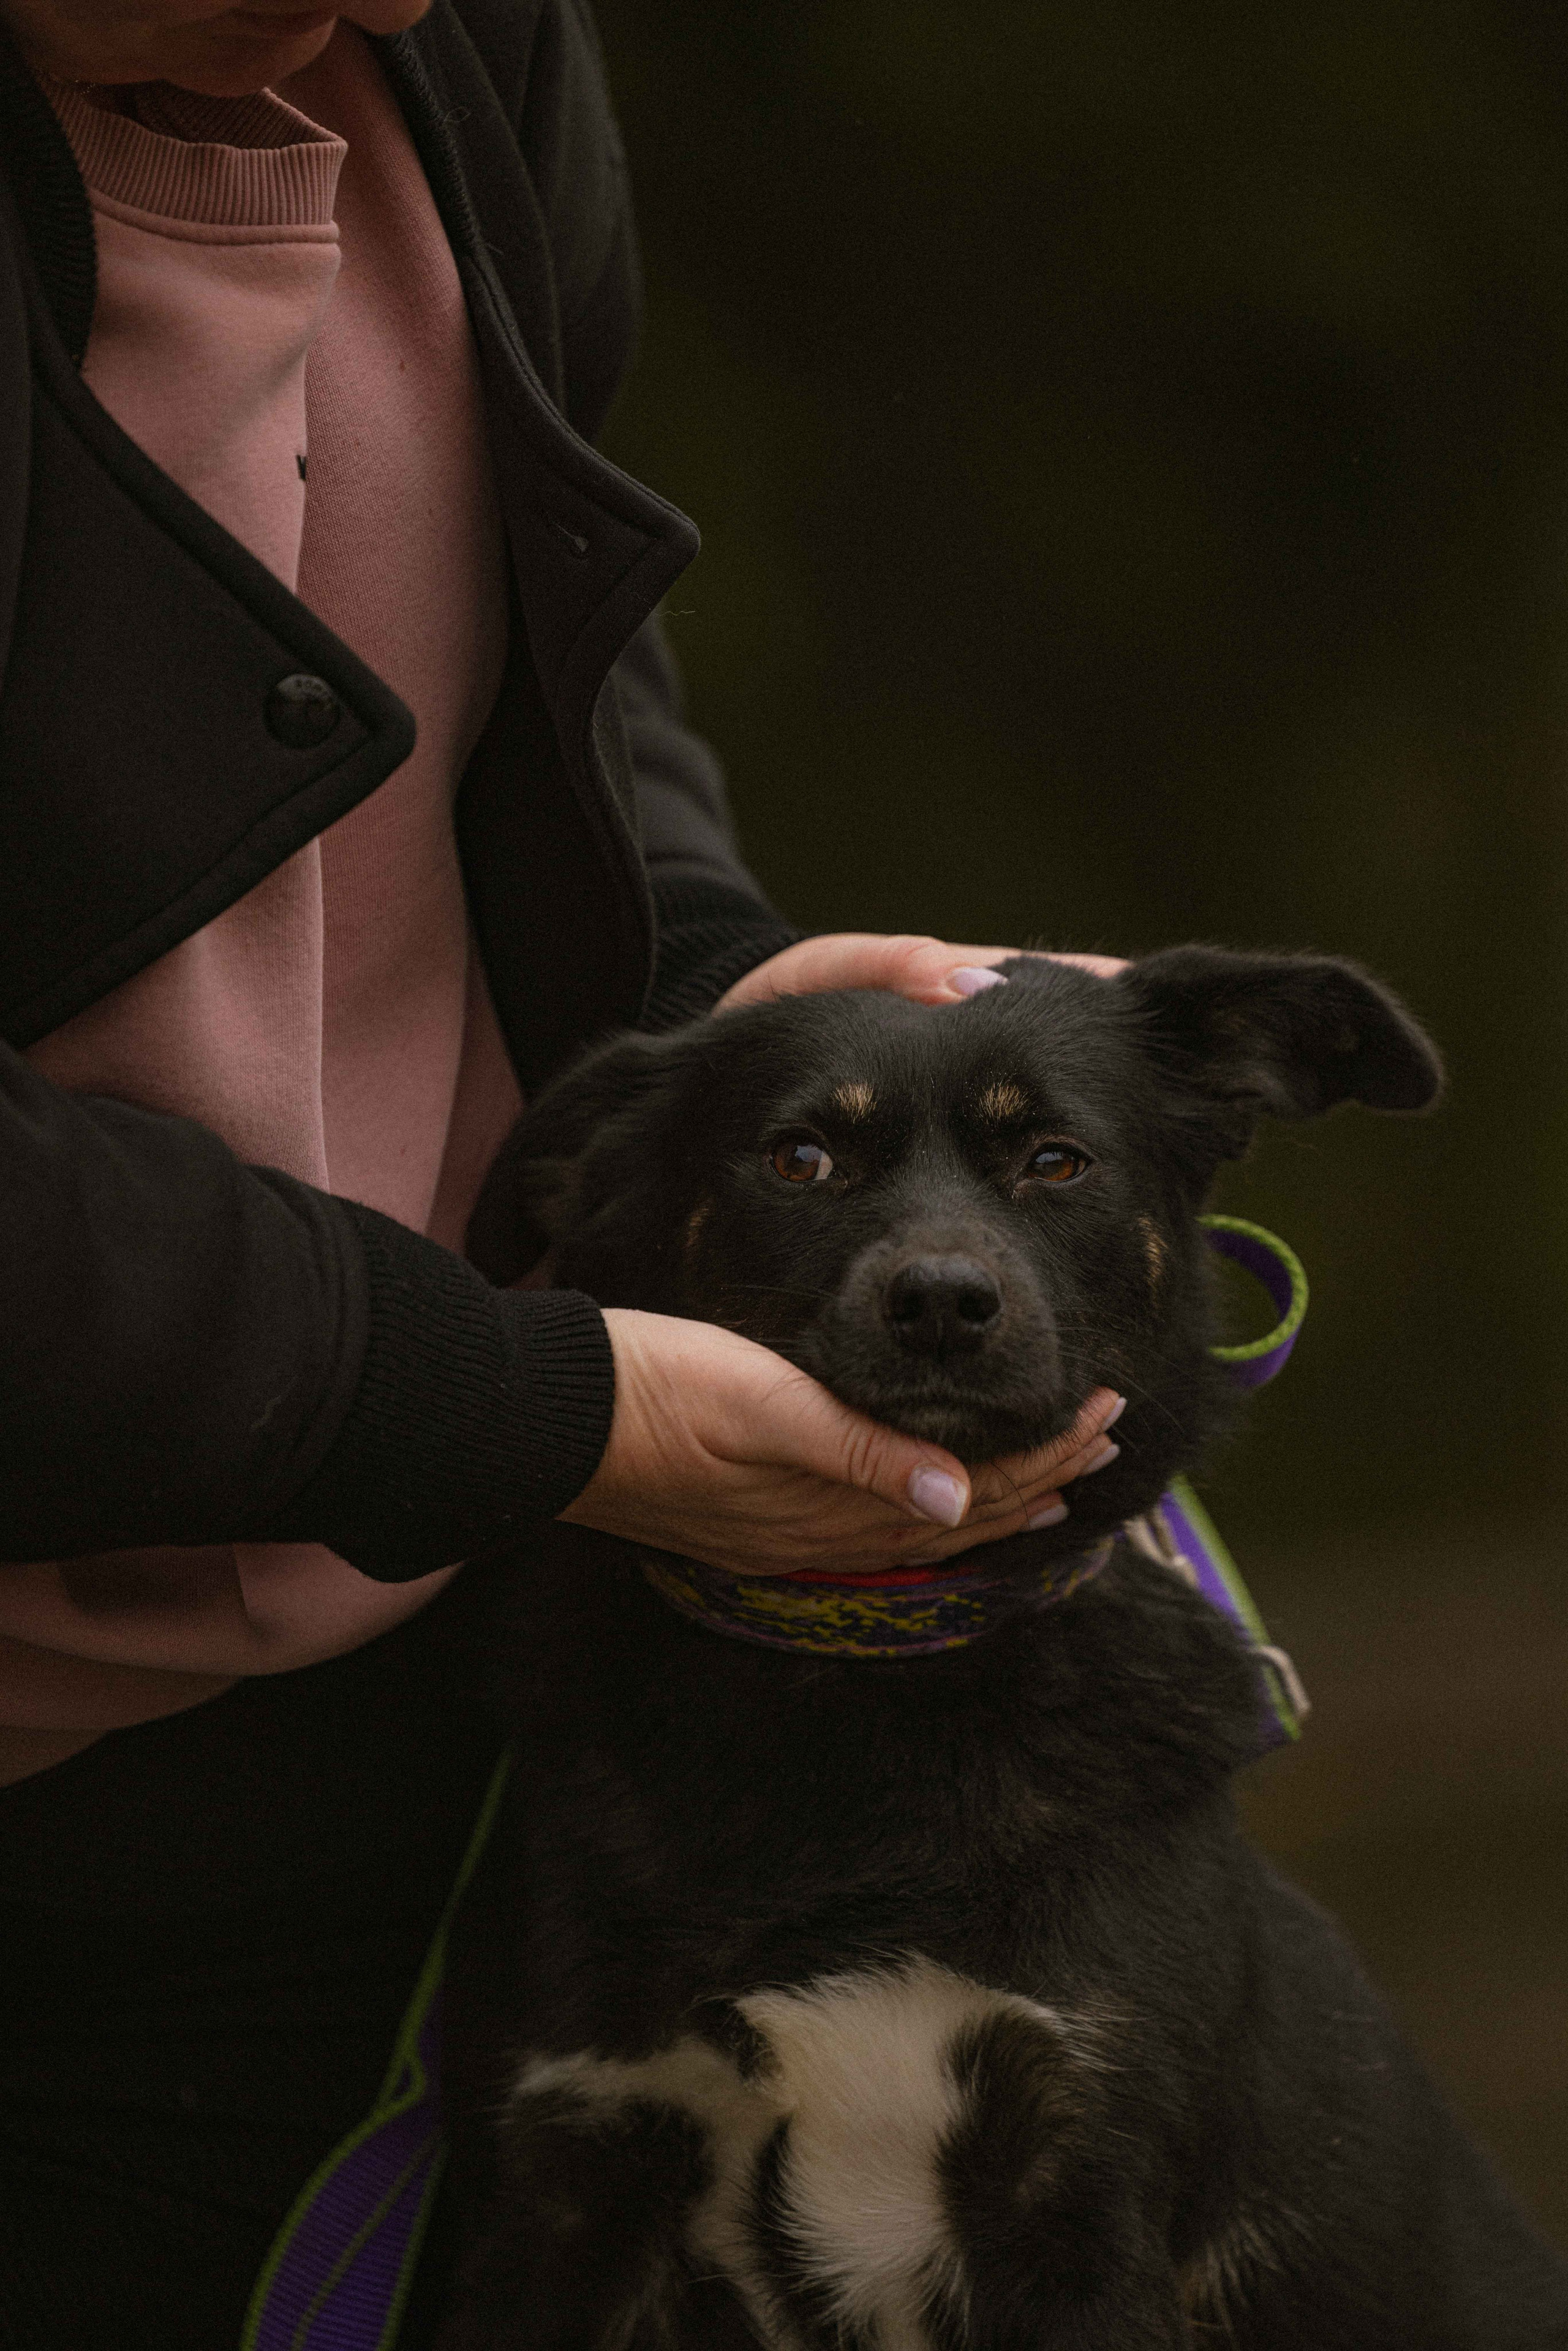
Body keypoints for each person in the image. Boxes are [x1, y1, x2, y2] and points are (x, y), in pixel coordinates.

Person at [0, 0, 1126, 2338]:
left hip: (365, 1744)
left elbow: (566, 665)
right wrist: (538, 1413)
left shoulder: (458, 47)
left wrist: (715, 1009)